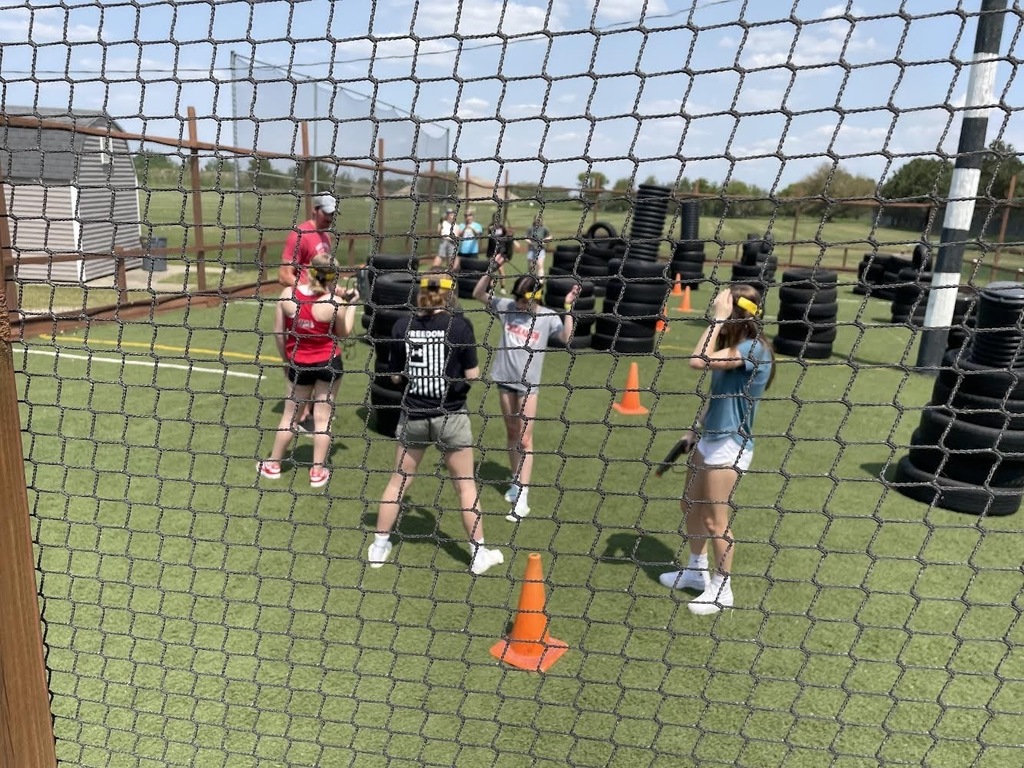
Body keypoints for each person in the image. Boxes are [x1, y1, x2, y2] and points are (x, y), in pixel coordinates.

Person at [368, 271, 505, 575]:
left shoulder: (402, 325)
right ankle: (479, 554)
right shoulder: (460, 326)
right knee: (466, 487)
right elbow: (472, 375)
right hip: (452, 417)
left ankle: (379, 547)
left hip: (413, 416)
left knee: (398, 482)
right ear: (448, 293)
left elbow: (393, 376)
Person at [658, 285, 774, 615]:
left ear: (735, 314)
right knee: (689, 505)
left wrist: (717, 320)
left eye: (723, 308)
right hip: (709, 438)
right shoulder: (735, 346)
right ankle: (696, 571)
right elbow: (717, 394)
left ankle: (723, 588)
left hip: (730, 445)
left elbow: (698, 360)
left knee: (715, 520)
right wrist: (695, 428)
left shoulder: (754, 350)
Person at [472, 256, 580, 521]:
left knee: (525, 439)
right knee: (511, 433)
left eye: (524, 300)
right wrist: (492, 269)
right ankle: (515, 480)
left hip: (528, 387)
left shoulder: (547, 317)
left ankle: (523, 497)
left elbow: (567, 338)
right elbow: (478, 293)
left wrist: (568, 307)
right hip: (503, 381)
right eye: (518, 299)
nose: (519, 304)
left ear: (535, 297)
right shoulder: (507, 307)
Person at [259, 254, 360, 488]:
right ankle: (317, 472)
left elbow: (278, 333)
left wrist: (287, 360)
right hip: (329, 364)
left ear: (310, 270)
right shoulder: (333, 302)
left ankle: (273, 464)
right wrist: (352, 304)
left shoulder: (288, 295)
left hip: (299, 364)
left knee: (289, 417)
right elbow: (344, 333)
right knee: (323, 419)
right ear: (333, 277)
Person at [279, 192, 338, 433]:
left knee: (322, 354)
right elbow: (284, 274)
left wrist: (333, 289)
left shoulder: (326, 237)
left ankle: (314, 411)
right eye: (327, 214)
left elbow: (324, 274)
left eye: (333, 214)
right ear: (315, 210)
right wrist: (302, 295)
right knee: (298, 355)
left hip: (319, 305)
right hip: (301, 307)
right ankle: (300, 414)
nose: (330, 218)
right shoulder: (300, 234)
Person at [485, 213, 516, 295]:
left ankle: (503, 287)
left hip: (500, 252)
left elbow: (507, 236)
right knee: (491, 270)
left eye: (498, 218)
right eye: (495, 218)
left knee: (501, 269)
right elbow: (490, 236)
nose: (496, 219)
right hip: (492, 252)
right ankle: (491, 288)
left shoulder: (502, 227)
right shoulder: (490, 227)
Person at [524, 213, 552, 277]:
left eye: (539, 219)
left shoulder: (544, 228)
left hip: (540, 249)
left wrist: (543, 242)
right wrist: (529, 242)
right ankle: (530, 279)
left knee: (540, 265)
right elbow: (526, 237)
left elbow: (550, 237)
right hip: (531, 249)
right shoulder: (530, 228)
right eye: (536, 219)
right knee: (531, 266)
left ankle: (540, 282)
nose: (538, 220)